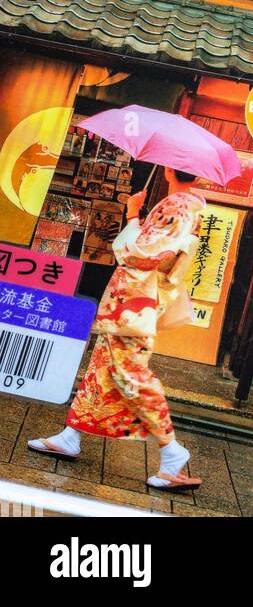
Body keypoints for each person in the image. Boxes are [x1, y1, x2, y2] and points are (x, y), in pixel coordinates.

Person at [29, 167, 206, 491]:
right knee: (102, 370)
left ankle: (172, 452)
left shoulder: (175, 206)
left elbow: (140, 254)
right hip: (135, 302)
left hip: (133, 304)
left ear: (168, 168)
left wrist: (133, 216)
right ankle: (71, 435)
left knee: (132, 375)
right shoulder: (190, 208)